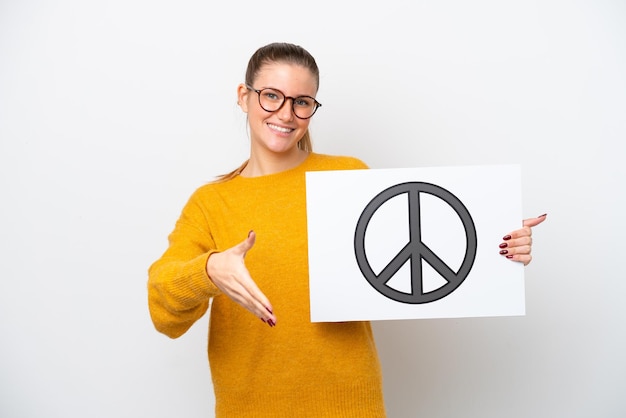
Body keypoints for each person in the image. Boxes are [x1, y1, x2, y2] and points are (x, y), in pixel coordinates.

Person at [147, 42, 547, 418]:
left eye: (301, 102)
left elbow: (416, 258)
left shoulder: (347, 177)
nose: (285, 114)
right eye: (272, 96)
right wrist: (210, 270)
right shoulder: (211, 203)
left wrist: (501, 247)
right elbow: (164, 312)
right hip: (249, 406)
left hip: (350, 403)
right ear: (244, 96)